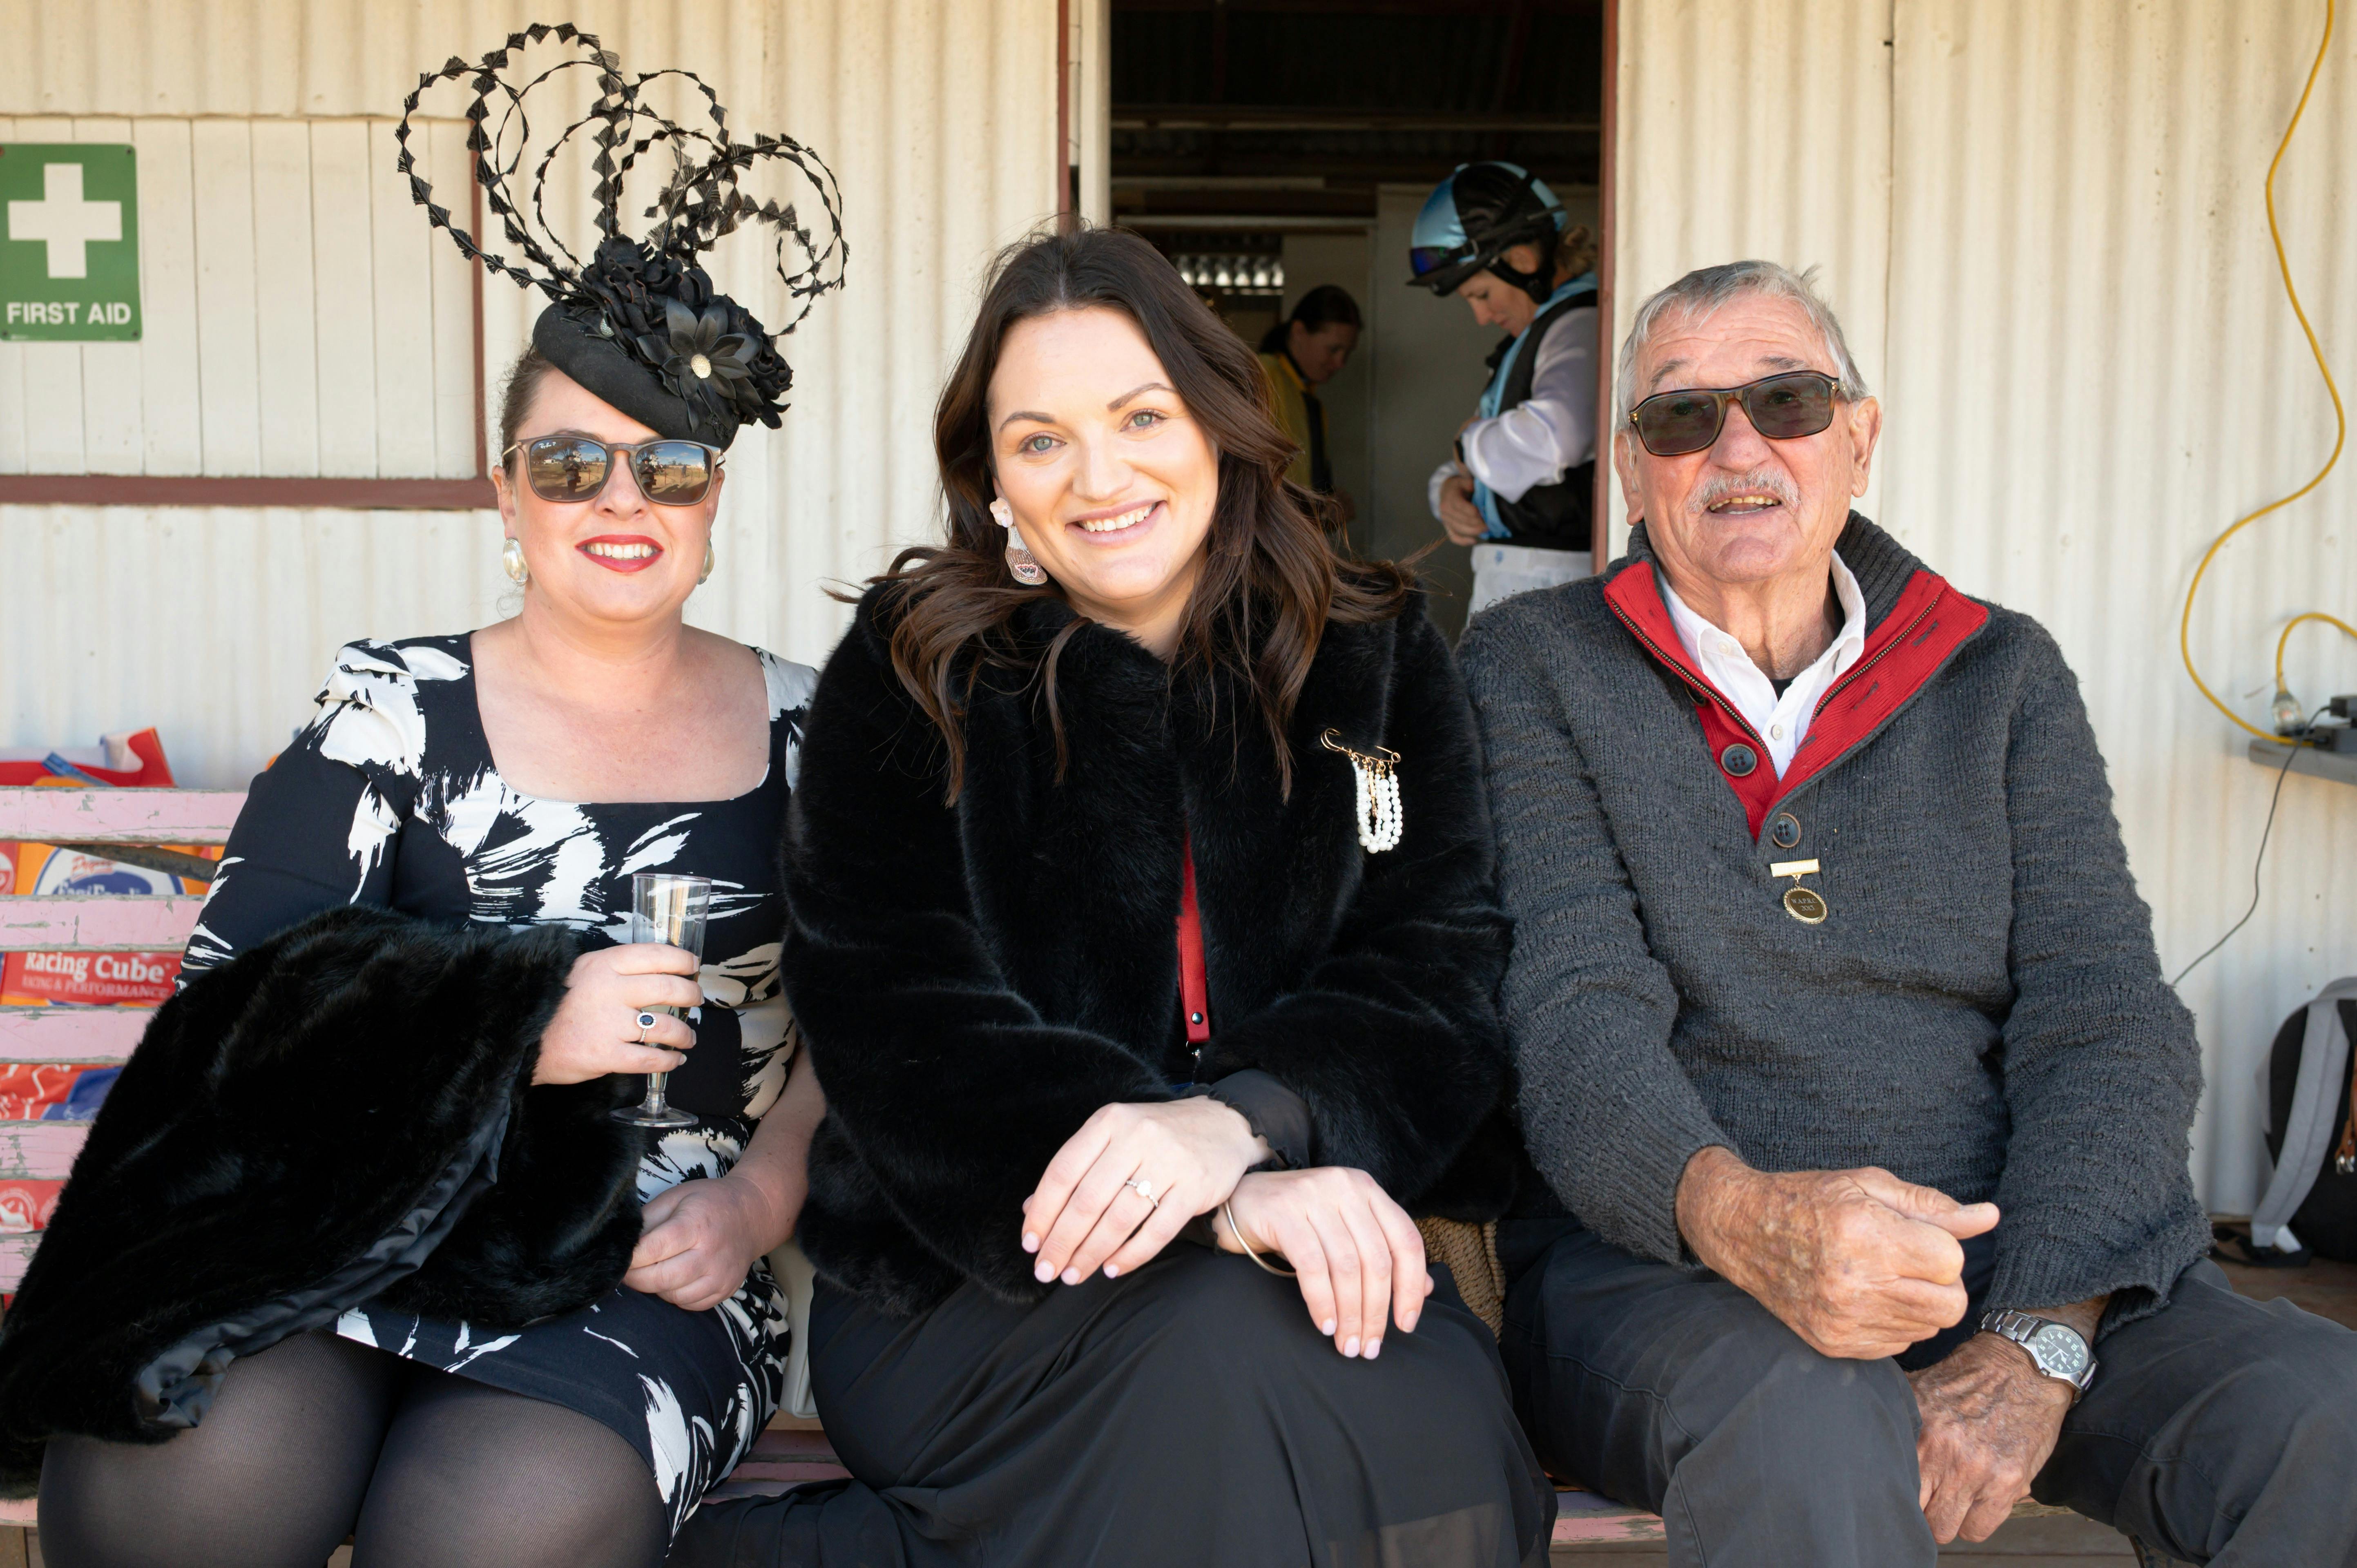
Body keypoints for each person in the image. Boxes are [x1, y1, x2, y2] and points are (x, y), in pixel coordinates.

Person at [9, 33, 847, 1568]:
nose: (617, 499)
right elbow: (228, 1008)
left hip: (638, 1260)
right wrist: (522, 1018)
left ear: (712, 495)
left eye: (663, 465)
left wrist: (759, 1204)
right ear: (504, 488)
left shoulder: (817, 728)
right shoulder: (389, 701)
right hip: (340, 1219)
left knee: (495, 1531)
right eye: (568, 459)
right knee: (173, 1477)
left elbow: (871, 1027)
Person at [673, 225, 1553, 1568]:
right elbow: (891, 1006)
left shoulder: (1370, 651)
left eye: (1140, 414)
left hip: (1313, 1223)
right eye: (1040, 440)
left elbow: (1436, 972)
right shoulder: (922, 669)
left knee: (1419, 1409)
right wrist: (1206, 1189)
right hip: (977, 1265)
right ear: (995, 480)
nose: (1100, 476)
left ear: (1217, 419)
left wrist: (1251, 1124)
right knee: (1218, 1376)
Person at [1460, 259, 2357, 1567]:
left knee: (2317, 1416)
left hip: (2015, 1259)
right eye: (1680, 416)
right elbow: (1573, 1009)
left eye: (1787, 400)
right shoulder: (1534, 666)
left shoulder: (1998, 671)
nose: (1738, 447)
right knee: (1811, 1425)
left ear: (1859, 440)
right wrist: (1752, 1219)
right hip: (1673, 1269)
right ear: (1629, 469)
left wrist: (2037, 1337)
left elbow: (2103, 1015)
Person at [1410, 161, 1600, 618]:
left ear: (1520, 261)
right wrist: (1448, 490)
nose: (1481, 316)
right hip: (1522, 577)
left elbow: (1558, 434)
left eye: (1480, 294)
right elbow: (1483, 454)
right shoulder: (1537, 332)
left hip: (1550, 584)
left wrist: (1467, 446)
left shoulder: (1577, 321)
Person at [1256, 283, 1361, 511]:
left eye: (1347, 353)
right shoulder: (1264, 375)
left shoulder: (1311, 401)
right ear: (1299, 333)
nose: (1341, 364)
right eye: (1334, 350)